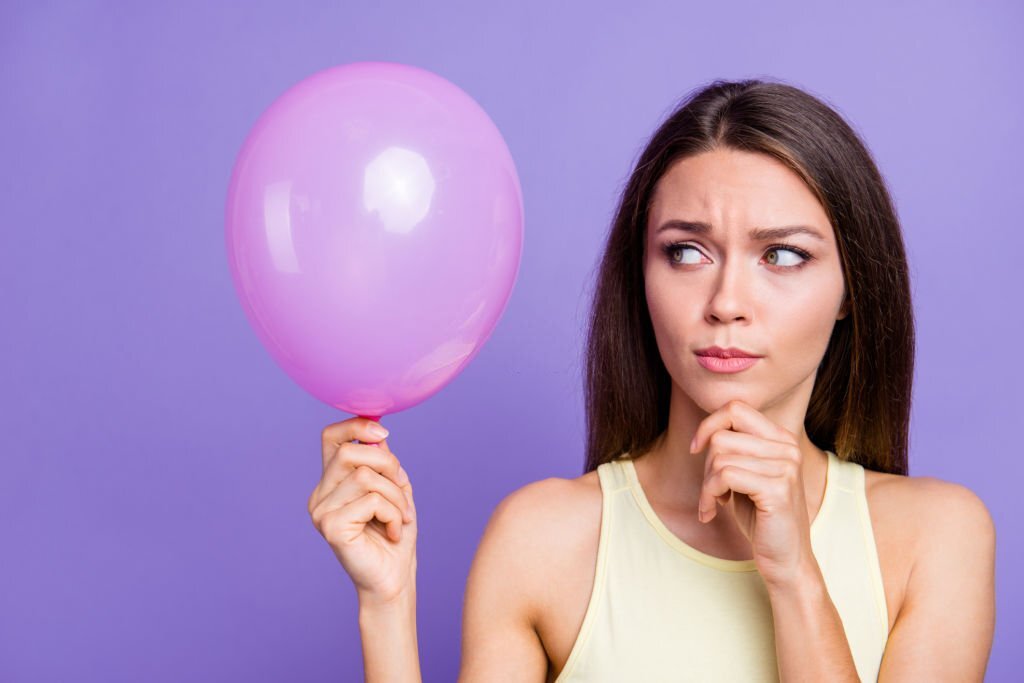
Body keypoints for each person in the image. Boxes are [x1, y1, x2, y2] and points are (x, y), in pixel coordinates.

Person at [307, 78, 996, 682]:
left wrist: (794, 573)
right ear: (641, 276)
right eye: (687, 251)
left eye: (782, 254)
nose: (727, 300)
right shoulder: (541, 539)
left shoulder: (935, 538)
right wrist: (387, 603)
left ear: (852, 288)